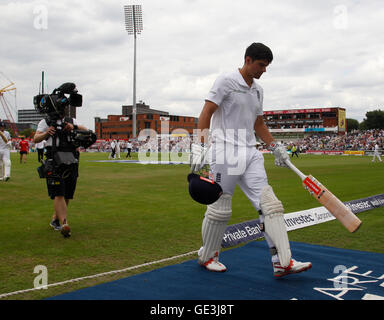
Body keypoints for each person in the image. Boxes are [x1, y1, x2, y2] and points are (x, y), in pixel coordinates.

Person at [191, 42, 312, 276]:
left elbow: (258, 123)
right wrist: (200, 144)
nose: (264, 70)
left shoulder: (258, 90)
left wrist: (275, 147)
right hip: (225, 150)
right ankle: (208, 256)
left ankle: (282, 262)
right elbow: (207, 111)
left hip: (251, 152)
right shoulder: (225, 80)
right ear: (247, 60)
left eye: (266, 66)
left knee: (270, 205)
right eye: (261, 65)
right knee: (220, 208)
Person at [34, 112, 88, 238]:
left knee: (68, 193)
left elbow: (86, 130)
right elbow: (36, 138)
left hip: (71, 159)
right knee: (59, 193)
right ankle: (64, 223)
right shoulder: (45, 122)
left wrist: (73, 127)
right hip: (55, 159)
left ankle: (55, 219)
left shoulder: (71, 121)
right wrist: (47, 133)